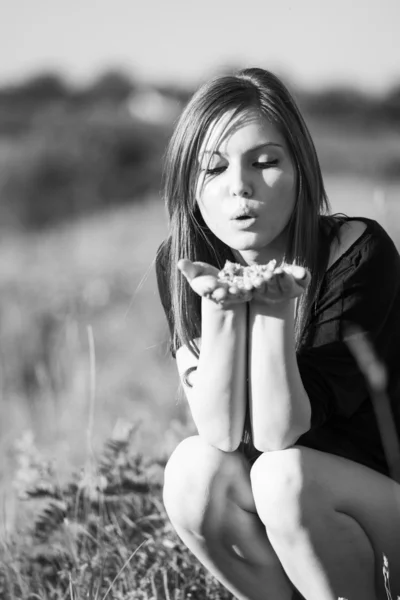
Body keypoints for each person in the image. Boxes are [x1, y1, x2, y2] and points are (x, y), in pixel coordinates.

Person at [155, 67, 400, 600]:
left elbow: (277, 435)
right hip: (289, 519)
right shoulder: (184, 264)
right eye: (213, 169)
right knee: (192, 472)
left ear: (301, 168)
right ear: (188, 184)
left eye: (265, 162)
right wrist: (220, 308)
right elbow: (220, 434)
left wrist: (271, 307)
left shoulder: (358, 251)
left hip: (383, 507)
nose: (239, 186)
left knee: (282, 477)